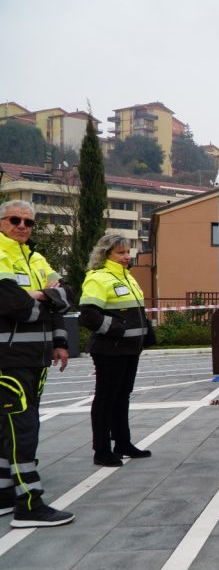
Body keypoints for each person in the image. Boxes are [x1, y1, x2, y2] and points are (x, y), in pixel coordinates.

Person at [0, 199, 75, 527]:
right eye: (15, 219)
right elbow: (14, 306)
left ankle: (4, 496)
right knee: (22, 429)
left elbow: (66, 297)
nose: (22, 226)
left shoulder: (37, 257)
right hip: (9, 358)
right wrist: (46, 298)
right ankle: (29, 505)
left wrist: (59, 340)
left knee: (9, 428)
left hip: (36, 358)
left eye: (29, 222)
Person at [80, 234, 155, 466]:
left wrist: (147, 333)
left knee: (122, 397)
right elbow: (89, 316)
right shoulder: (98, 278)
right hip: (109, 350)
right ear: (106, 254)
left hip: (130, 350)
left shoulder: (128, 278)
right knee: (106, 399)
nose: (126, 256)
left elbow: (135, 312)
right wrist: (118, 330)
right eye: (120, 252)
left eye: (127, 252)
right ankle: (101, 450)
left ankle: (122, 443)